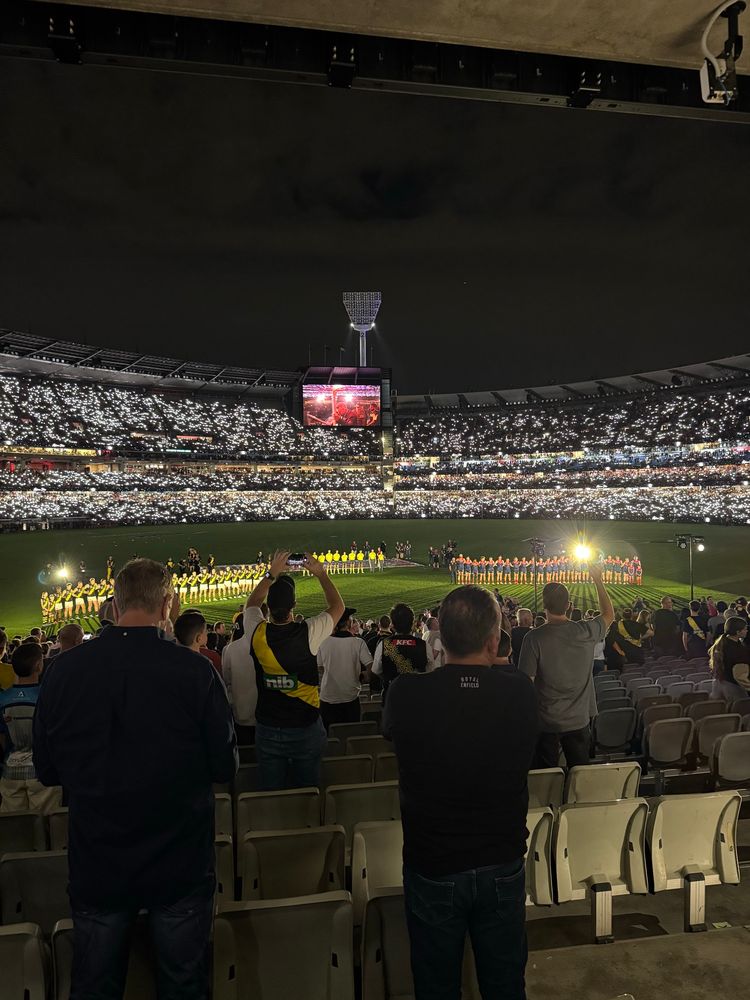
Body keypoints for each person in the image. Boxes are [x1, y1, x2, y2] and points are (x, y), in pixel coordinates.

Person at [32, 558, 237, 1000]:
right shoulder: (195, 671)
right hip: (179, 861)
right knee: (183, 984)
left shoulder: (63, 671)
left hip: (99, 859)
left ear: (115, 603)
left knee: (94, 985)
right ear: (168, 604)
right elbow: (225, 767)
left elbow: (46, 770)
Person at [384, 585, 538, 1000]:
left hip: (434, 863)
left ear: (441, 639)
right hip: (501, 860)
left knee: (436, 987)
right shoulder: (520, 690)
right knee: (505, 985)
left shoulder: (406, 694)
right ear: (493, 641)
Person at [243, 550, 343, 791]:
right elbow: (337, 605)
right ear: (294, 606)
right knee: (307, 792)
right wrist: (320, 573)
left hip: (268, 727)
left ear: (268, 608)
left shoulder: (256, 633)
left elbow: (251, 603)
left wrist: (271, 573)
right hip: (305, 727)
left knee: (272, 794)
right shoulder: (308, 633)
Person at [518, 563, 614, 769]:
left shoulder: (534, 638)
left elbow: (527, 682)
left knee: (547, 776)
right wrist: (598, 580)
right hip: (579, 718)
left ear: (544, 605)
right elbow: (608, 614)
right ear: (569, 605)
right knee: (580, 775)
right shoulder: (585, 631)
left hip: (546, 721)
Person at [0, 644, 62, 813]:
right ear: (38, 666)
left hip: (10, 771)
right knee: (45, 827)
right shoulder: (47, 696)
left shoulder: (3, 698)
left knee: (15, 830)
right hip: (41, 771)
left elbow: (2, 738)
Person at [317, 607, 373, 729]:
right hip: (351, 698)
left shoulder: (323, 642)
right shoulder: (358, 643)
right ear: (348, 623)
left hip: (328, 698)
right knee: (351, 732)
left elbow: (320, 667)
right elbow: (370, 666)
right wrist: (364, 676)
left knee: (329, 737)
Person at [371, 603, 432, 702]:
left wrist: (389, 679)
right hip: (417, 699)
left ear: (392, 625)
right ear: (412, 624)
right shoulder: (424, 646)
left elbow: (376, 671)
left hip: (391, 698)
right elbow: (430, 672)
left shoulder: (384, 644)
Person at [709, 616, 750, 702]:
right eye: (745, 629)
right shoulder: (738, 650)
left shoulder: (721, 644)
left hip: (718, 685)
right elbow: (740, 676)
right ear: (738, 632)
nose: (747, 631)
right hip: (734, 689)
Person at [174, 611, 223, 675]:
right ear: (199, 638)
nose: (207, 634)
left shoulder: (167, 660)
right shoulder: (205, 664)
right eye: (205, 631)